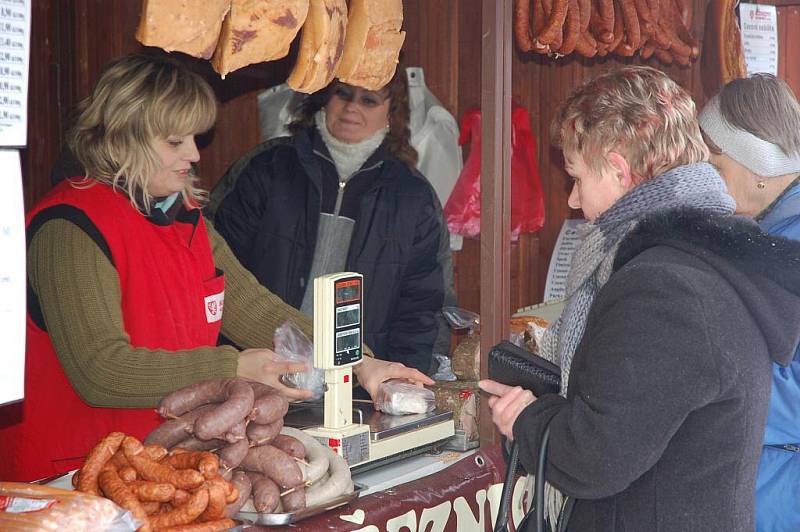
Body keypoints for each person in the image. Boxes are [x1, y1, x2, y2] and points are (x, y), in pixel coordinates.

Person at [0, 53, 432, 482]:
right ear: (123, 137)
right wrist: (233, 368)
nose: (193, 154)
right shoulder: (68, 227)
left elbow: (259, 312)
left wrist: (359, 363)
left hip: (166, 468)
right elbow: (101, 369)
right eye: (175, 142)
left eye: (194, 137)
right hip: (71, 479)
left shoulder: (185, 218)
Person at [479, 66, 800, 531]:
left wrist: (528, 418)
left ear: (617, 169)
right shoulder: (707, 254)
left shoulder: (663, 286)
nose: (572, 200)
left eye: (577, 177)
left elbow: (596, 457)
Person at [208, 69, 446, 376]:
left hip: (359, 385)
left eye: (369, 100)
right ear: (323, 98)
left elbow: (422, 309)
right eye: (342, 93)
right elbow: (217, 270)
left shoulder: (413, 197)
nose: (351, 108)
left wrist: (399, 383)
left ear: (392, 113)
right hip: (261, 373)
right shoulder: (267, 168)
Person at [698, 74, 800, 532]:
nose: (712, 186)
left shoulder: (788, 247)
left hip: (780, 489)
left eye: (718, 168)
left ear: (758, 165)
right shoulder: (773, 234)